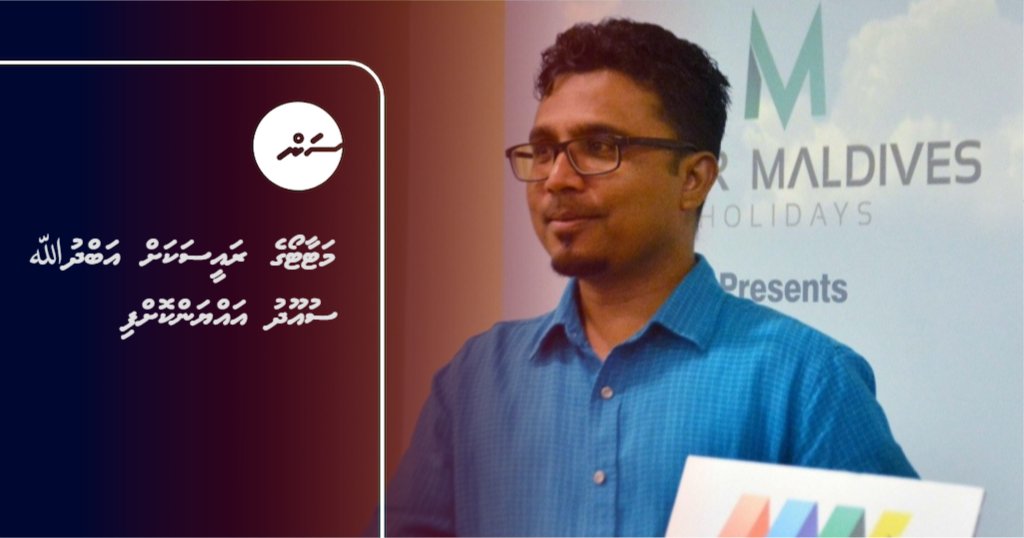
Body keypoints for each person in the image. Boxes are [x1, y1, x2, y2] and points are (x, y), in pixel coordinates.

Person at [374, 18, 916, 538]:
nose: (557, 179)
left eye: (598, 148)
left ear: (693, 179)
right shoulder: (475, 380)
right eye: (542, 152)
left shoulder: (805, 380)